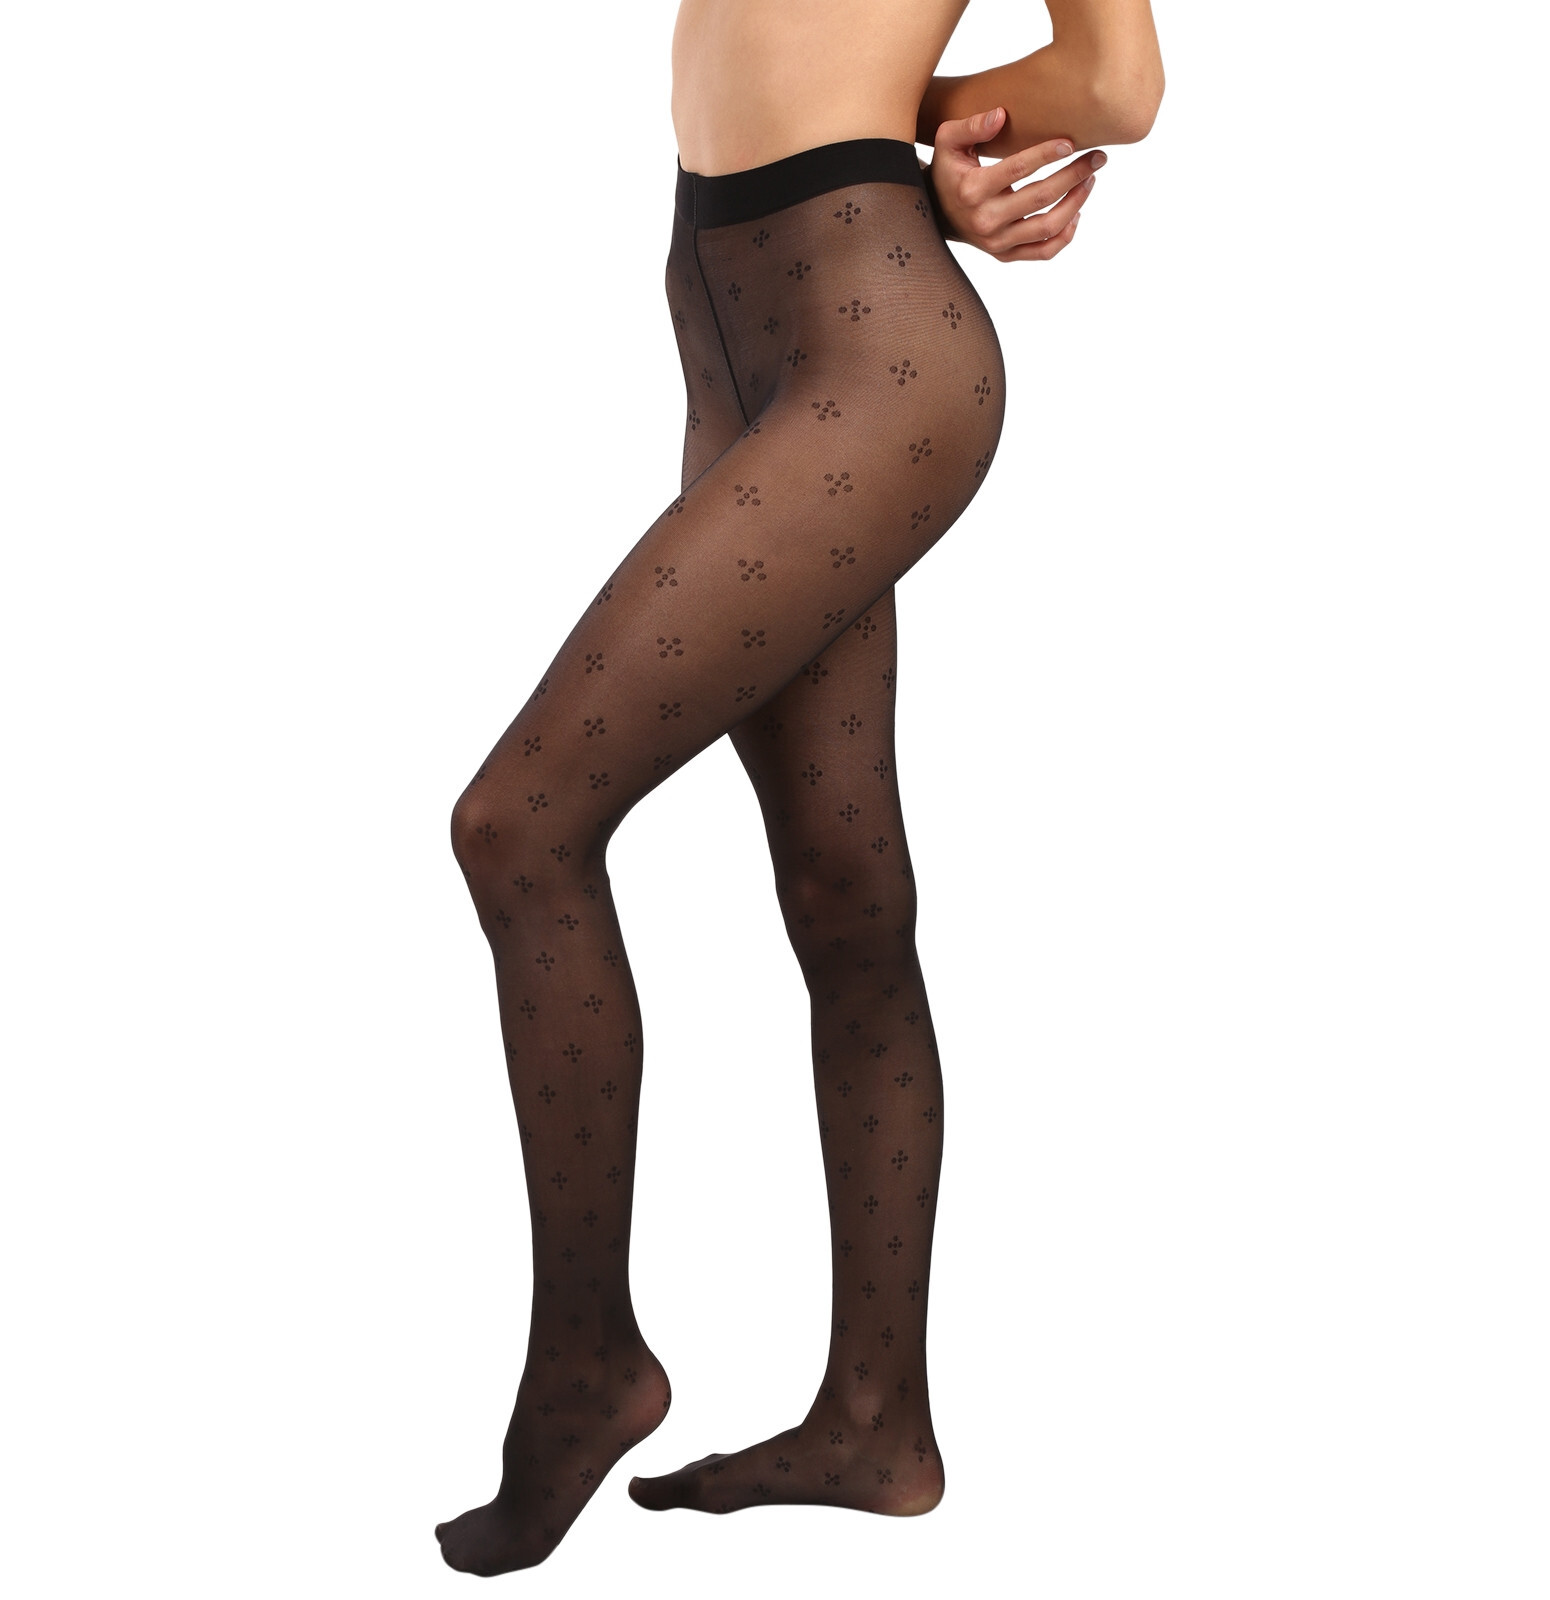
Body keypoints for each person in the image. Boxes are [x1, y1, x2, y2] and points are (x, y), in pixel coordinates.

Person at [435, 0, 1164, 1575]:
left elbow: (1117, 81)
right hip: (730, 323)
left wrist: (919, 118)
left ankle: (586, 1365)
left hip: (870, 337)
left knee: (520, 826)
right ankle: (877, 1423)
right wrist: (906, 120)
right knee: (845, 898)